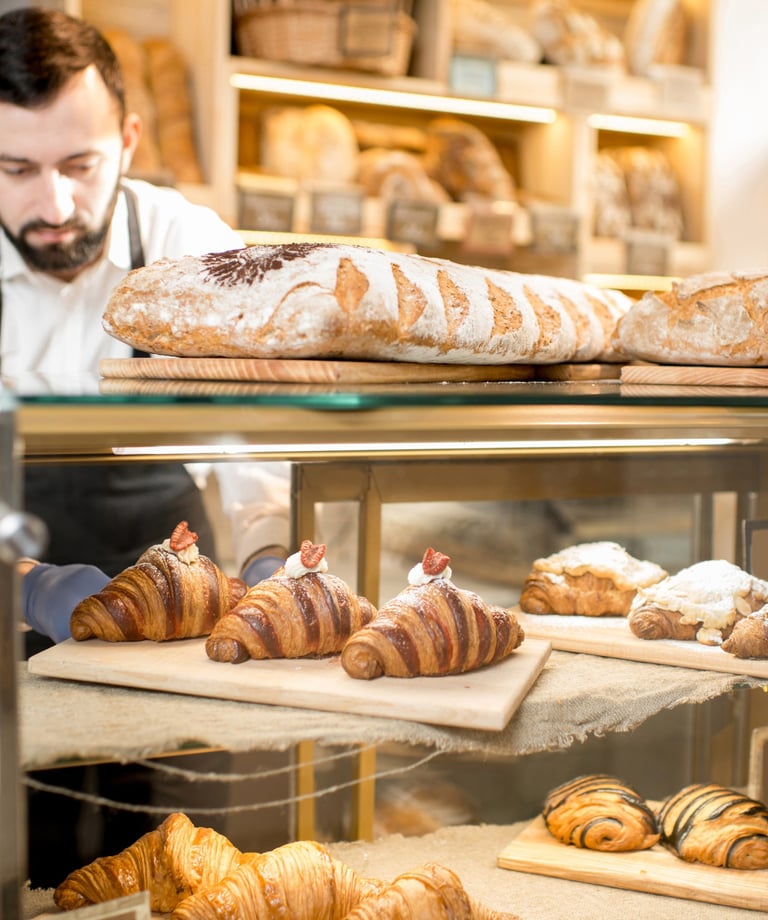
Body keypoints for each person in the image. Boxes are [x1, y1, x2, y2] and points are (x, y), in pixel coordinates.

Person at [0, 5, 284, 885]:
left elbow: (259, 432)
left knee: (176, 856)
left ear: (127, 137)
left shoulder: (190, 247)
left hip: (176, 602)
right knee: (26, 856)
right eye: (14, 168)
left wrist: (273, 559)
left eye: (81, 165)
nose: (54, 204)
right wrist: (23, 584)